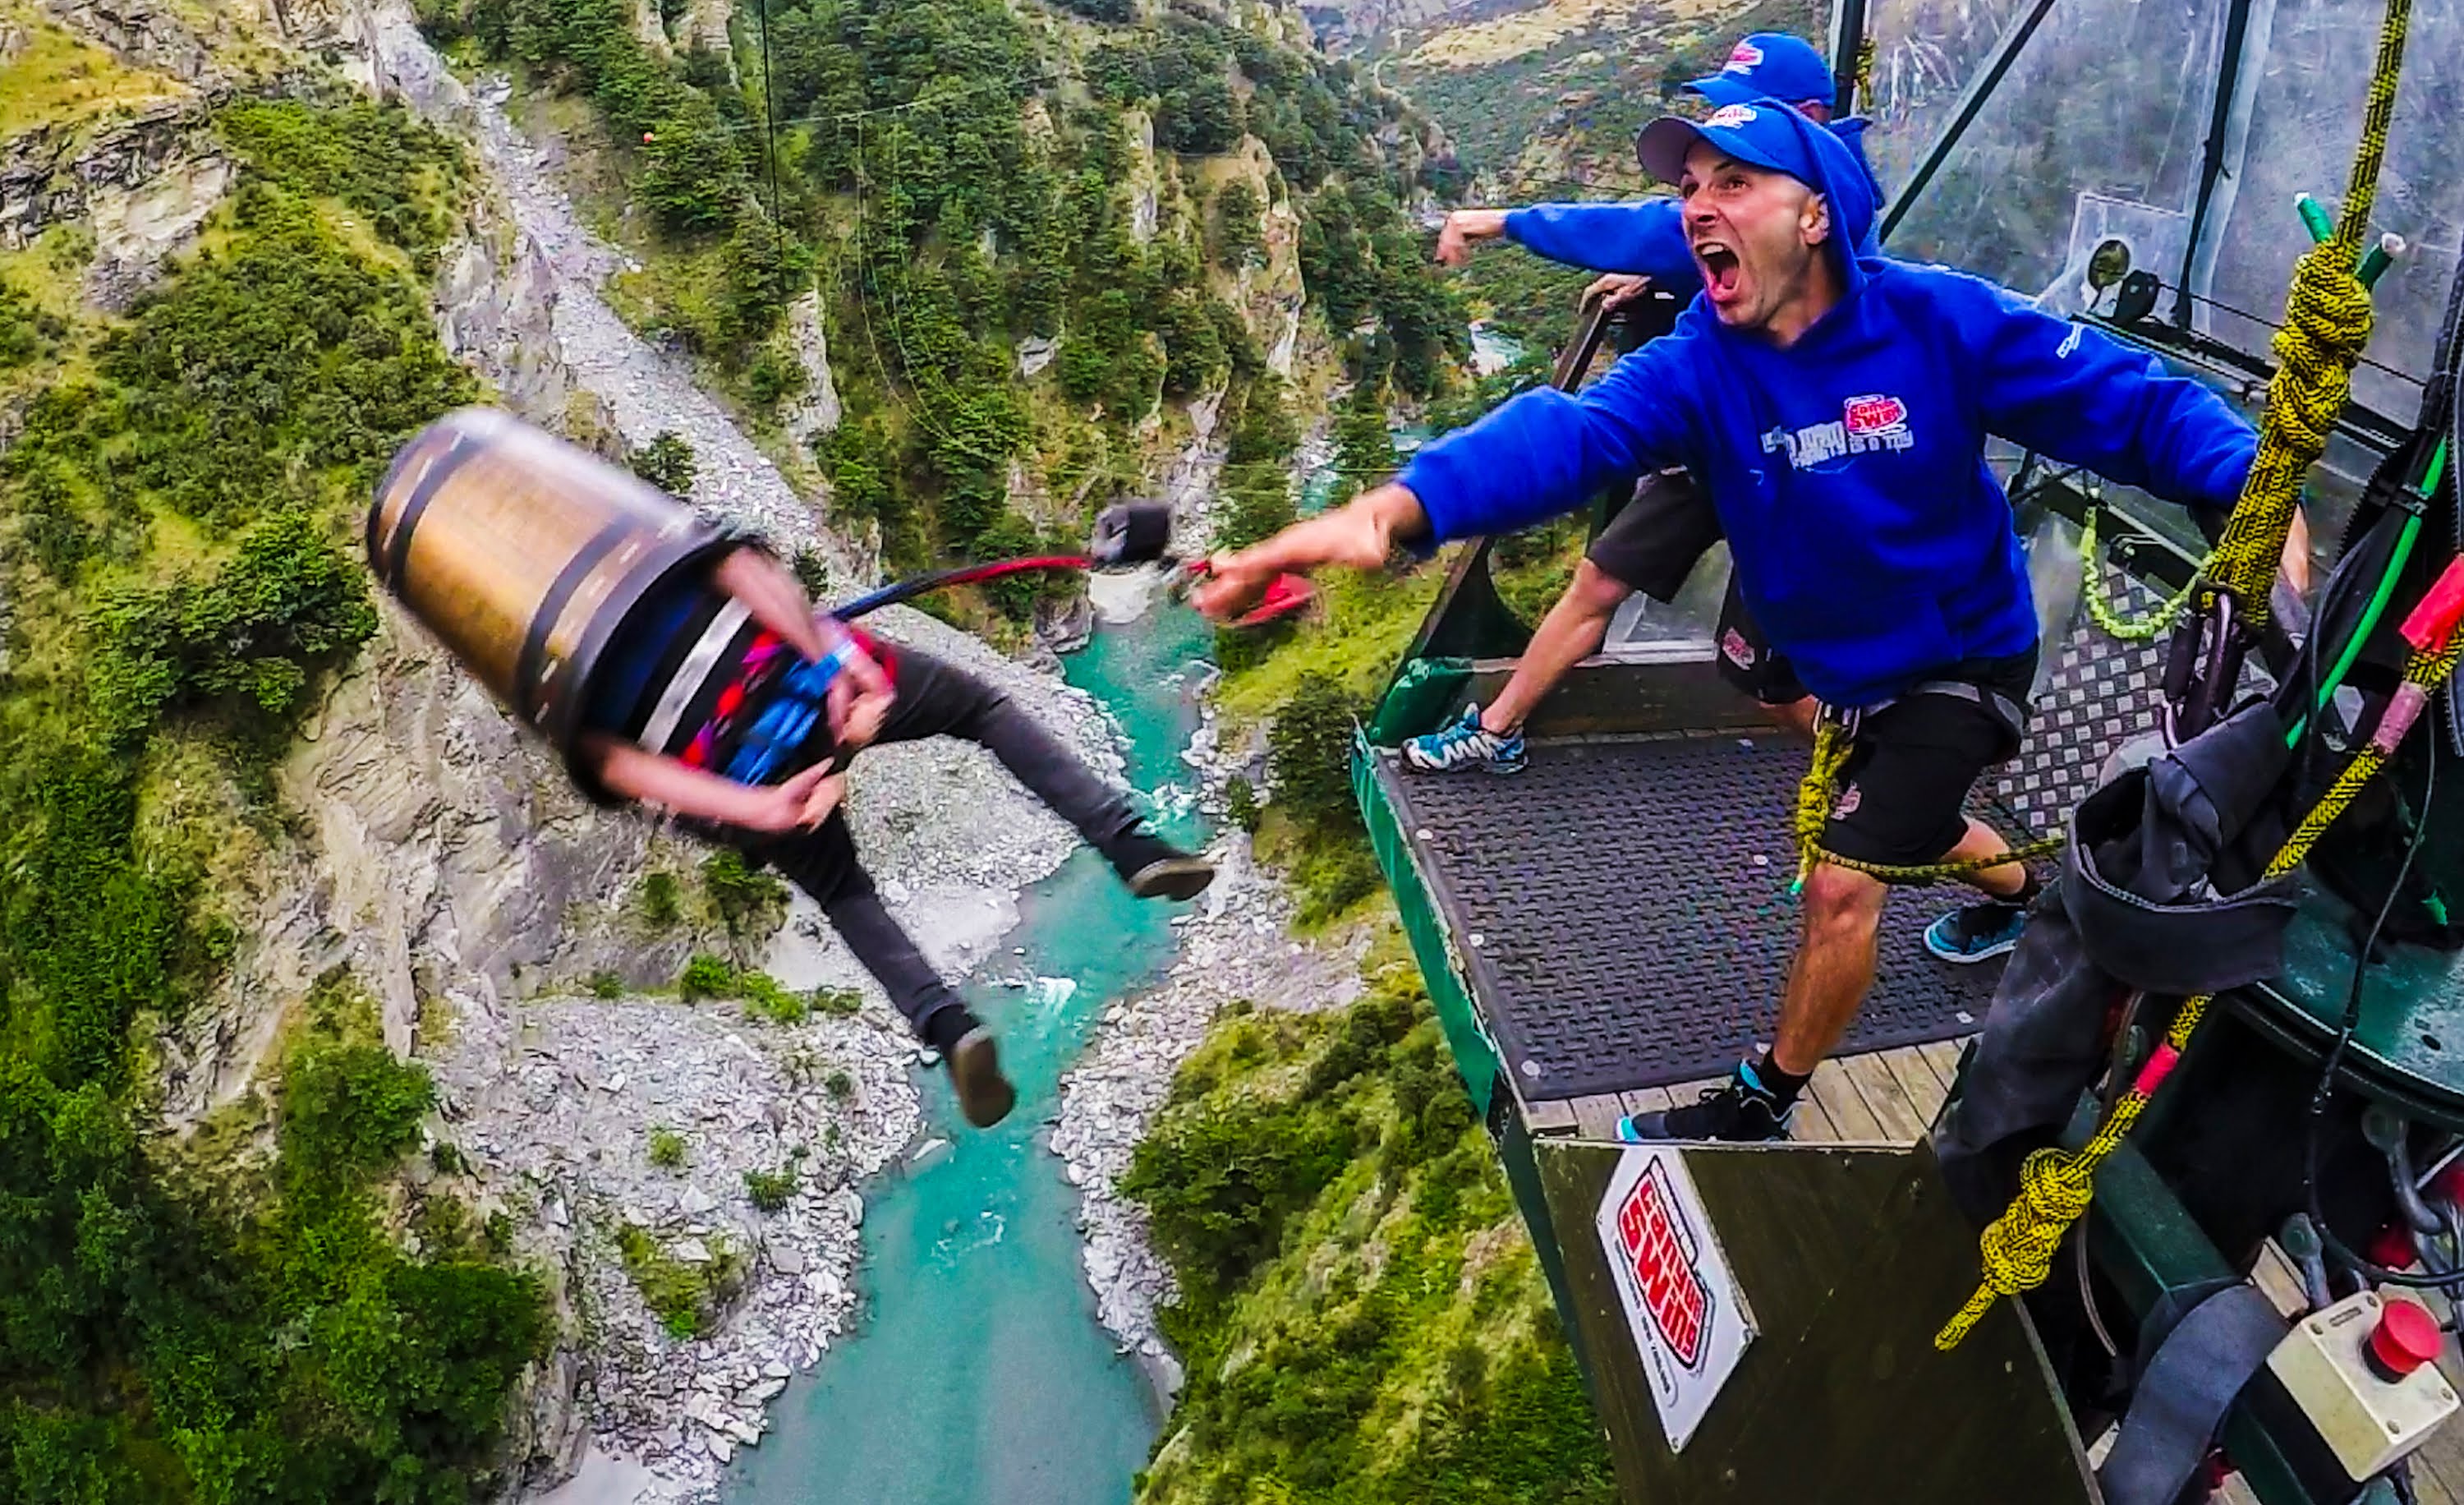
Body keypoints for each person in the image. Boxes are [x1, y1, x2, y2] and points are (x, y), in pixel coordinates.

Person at [1191, 98, 2269, 1142]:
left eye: (1734, 182)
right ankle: (2019, 892)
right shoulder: (1703, 364)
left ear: (1813, 215)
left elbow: (2127, 399)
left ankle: (1765, 1097)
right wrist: (1394, 511)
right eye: (1690, 188)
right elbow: (1569, 437)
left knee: (1845, 882)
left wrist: (2242, 478)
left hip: (1961, 655)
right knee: (1896, 812)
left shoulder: (1938, 323)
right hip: (1841, 664)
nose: (1697, 206)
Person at [573, 544, 1214, 1130]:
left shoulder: (537, 649)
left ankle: (947, 1025)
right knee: (979, 711)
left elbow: (610, 764)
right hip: (789, 676)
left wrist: (761, 808)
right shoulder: (626, 532)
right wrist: (837, 669)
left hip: (730, 771)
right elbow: (737, 566)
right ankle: (1128, 844)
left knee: (839, 886)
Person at [1406, 32, 1877, 783]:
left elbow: (1654, 229)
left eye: (1743, 119)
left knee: (1771, 685)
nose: (1724, 147)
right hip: (1718, 440)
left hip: (1792, 469)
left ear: (1809, 115)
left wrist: (1501, 221)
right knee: (1600, 578)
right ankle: (1499, 729)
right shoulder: (1780, 199)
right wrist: (1664, 281)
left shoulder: (1830, 200)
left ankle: (1873, 783)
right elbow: (1699, 255)